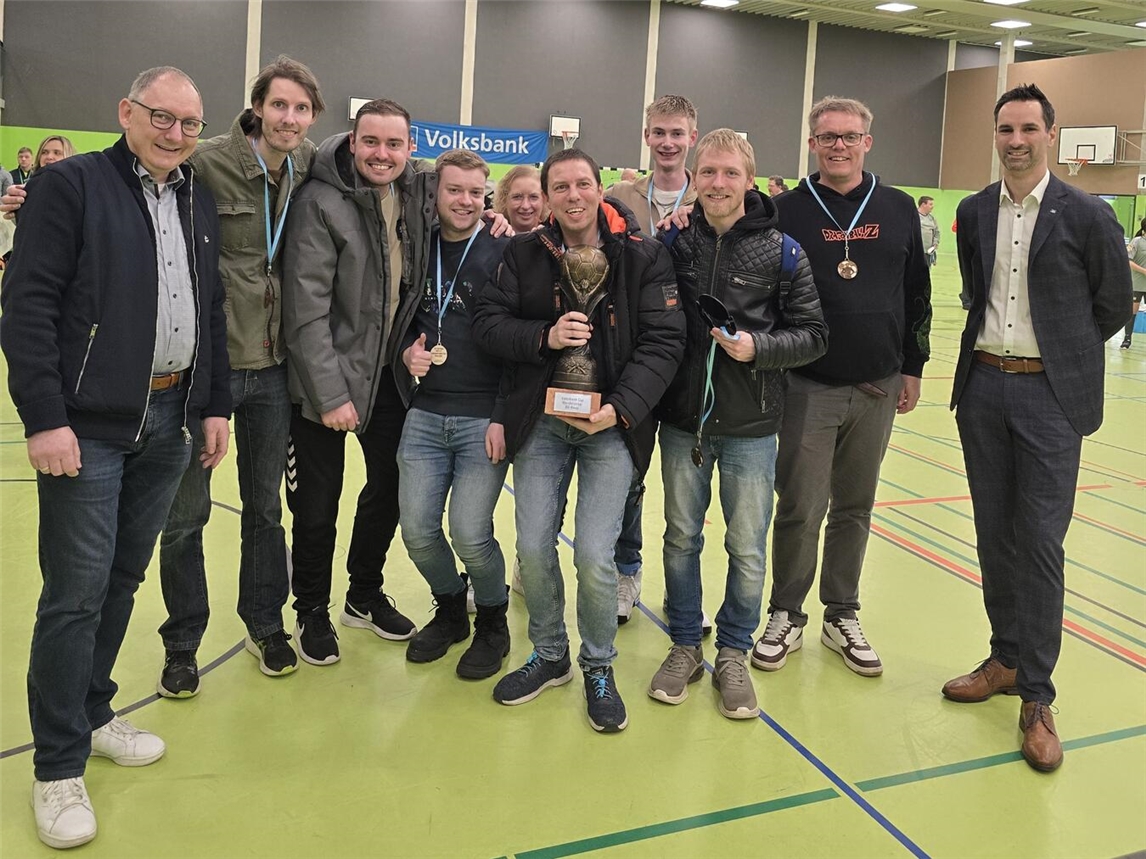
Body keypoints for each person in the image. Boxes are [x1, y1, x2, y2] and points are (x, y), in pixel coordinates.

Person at [0, 66, 229, 850]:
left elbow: (212, 306)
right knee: (75, 593)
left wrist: (212, 403)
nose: (175, 133)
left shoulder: (196, 195)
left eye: (190, 123)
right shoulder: (70, 186)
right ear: (126, 112)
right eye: (161, 117)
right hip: (87, 427)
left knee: (125, 577)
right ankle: (56, 765)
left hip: (170, 417)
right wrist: (44, 417)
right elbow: (26, 303)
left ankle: (94, 710)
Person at [944, 83, 1132, 773]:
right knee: (994, 533)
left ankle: (1039, 695)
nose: (1015, 140)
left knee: (1041, 542)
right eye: (1005, 129)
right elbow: (975, 293)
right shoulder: (971, 211)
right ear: (994, 136)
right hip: (984, 385)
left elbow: (1112, 303)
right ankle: (1005, 656)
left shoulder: (1086, 214)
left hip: (1051, 395)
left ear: (1052, 133)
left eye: (1027, 127)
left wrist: (1062, 356)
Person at [473, 148, 684, 733]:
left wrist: (620, 408)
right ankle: (549, 653)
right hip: (542, 424)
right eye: (560, 186)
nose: (572, 195)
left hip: (610, 428)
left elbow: (665, 343)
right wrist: (544, 335)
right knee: (534, 547)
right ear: (545, 196)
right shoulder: (520, 255)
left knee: (595, 555)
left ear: (600, 188)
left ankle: (598, 663)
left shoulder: (643, 257)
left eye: (582, 184)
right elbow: (488, 325)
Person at [155, 56, 325, 694]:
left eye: (301, 109)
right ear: (258, 107)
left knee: (264, 509)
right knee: (186, 517)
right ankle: (182, 642)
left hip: (275, 371)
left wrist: (497, 211)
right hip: (208, 375)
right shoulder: (206, 163)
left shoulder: (309, 164)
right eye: (279, 105)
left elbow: (388, 161)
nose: (289, 118)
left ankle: (265, 623)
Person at [650, 129, 827, 719]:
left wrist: (761, 349)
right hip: (682, 423)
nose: (718, 184)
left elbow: (814, 335)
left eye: (730, 173)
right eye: (708, 173)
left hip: (753, 424)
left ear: (749, 180)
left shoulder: (784, 252)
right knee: (681, 538)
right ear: (694, 178)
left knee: (746, 546)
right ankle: (683, 645)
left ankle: (732, 652)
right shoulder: (674, 245)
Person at [758, 96, 931, 678]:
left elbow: (917, 296)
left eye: (849, 136)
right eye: (828, 137)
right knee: (801, 506)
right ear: (812, 143)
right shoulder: (784, 210)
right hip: (807, 384)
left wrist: (914, 366)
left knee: (855, 507)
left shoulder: (899, 207)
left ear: (867, 142)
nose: (839, 145)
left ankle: (841, 612)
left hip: (879, 384)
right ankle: (787, 612)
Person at [280, 98, 431, 665]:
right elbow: (305, 310)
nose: (382, 154)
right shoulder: (319, 202)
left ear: (409, 149)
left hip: (388, 375)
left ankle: (363, 594)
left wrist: (497, 215)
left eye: (395, 144)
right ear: (352, 140)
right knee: (316, 506)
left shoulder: (416, 192)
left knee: (389, 486)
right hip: (325, 381)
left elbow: (466, 202)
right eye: (372, 142)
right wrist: (330, 393)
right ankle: (312, 610)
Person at [393, 149, 512, 678]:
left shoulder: (505, 250)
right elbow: (397, 318)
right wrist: (405, 356)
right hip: (425, 412)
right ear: (435, 194)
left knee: (469, 531)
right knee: (417, 531)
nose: (464, 201)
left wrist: (504, 415)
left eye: (474, 193)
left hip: (481, 415)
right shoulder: (414, 248)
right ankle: (450, 608)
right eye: (453, 190)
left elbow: (518, 341)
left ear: (486, 197)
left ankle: (492, 619)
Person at [604, 94, 700, 626]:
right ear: (647, 136)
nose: (667, 142)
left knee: (687, 495)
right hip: (633, 360)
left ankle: (685, 595)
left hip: (692, 364)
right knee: (629, 477)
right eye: (659, 132)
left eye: (677, 133)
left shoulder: (711, 195)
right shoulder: (619, 195)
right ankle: (626, 568)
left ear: (692, 137)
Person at [493, 164, 546, 234]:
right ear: (504, 199)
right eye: (517, 197)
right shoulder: (490, 235)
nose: (525, 206)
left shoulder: (558, 238)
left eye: (533, 197)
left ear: (545, 200)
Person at [1122, 217, 1146, 348]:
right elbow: (1128, 261)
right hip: (1137, 283)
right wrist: (1143, 271)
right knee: (1133, 311)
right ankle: (1127, 339)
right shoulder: (1137, 242)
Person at [918, 195, 939, 267]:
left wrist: (935, 243)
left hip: (927, 253)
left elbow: (936, 232)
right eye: (930, 204)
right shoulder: (914, 216)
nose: (932, 206)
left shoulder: (932, 218)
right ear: (923, 205)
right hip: (916, 252)